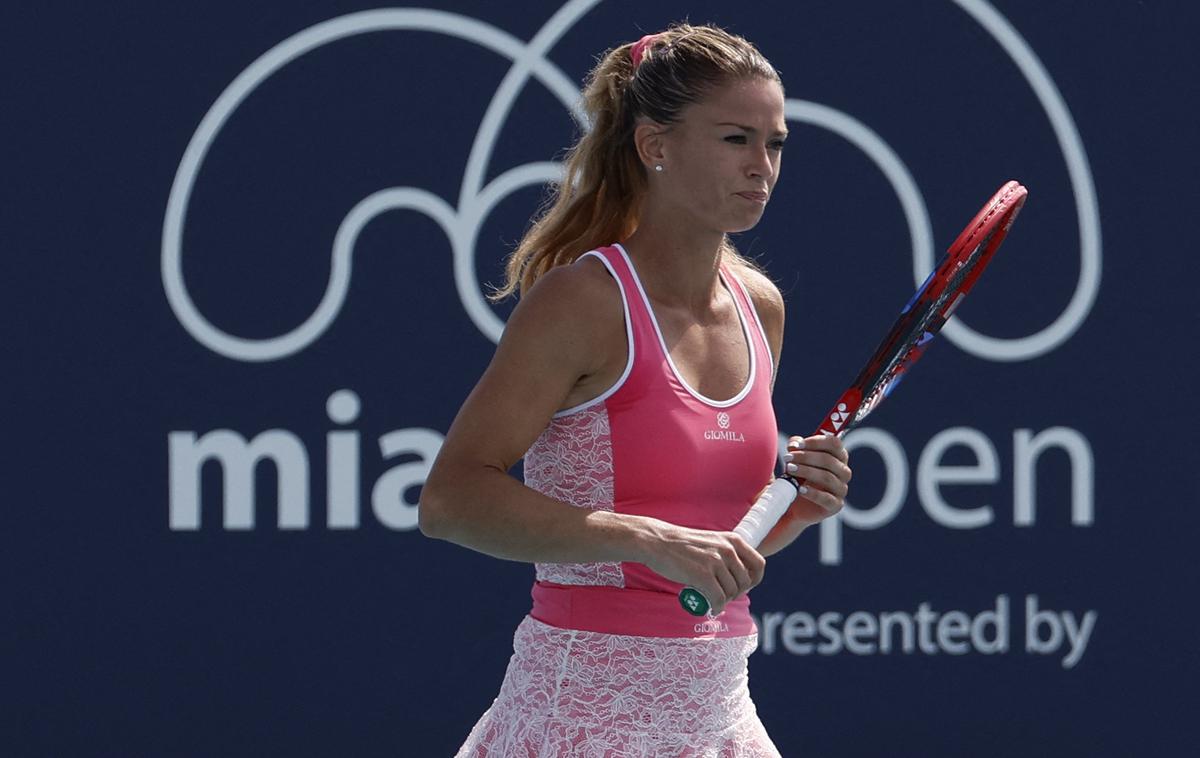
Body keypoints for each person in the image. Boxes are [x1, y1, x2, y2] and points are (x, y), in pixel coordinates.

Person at [419, 23, 852, 756]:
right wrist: (639, 538)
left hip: (721, 715)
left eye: (775, 143)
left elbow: (715, 551)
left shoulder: (761, 308)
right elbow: (449, 501)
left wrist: (798, 514)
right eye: (734, 139)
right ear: (655, 146)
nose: (762, 167)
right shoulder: (580, 303)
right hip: (577, 718)